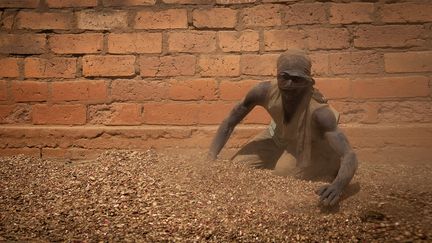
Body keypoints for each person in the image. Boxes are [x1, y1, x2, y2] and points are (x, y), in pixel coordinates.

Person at [208, 49, 358, 207]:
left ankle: (323, 167)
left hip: (306, 146)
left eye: (297, 79)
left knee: (283, 174)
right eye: (284, 77)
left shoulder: (320, 113)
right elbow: (229, 121)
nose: (289, 85)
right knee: (237, 165)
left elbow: (349, 155)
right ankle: (279, 157)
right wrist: (211, 155)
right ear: (277, 75)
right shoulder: (263, 91)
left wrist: (338, 186)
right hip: (277, 136)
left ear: (308, 82)